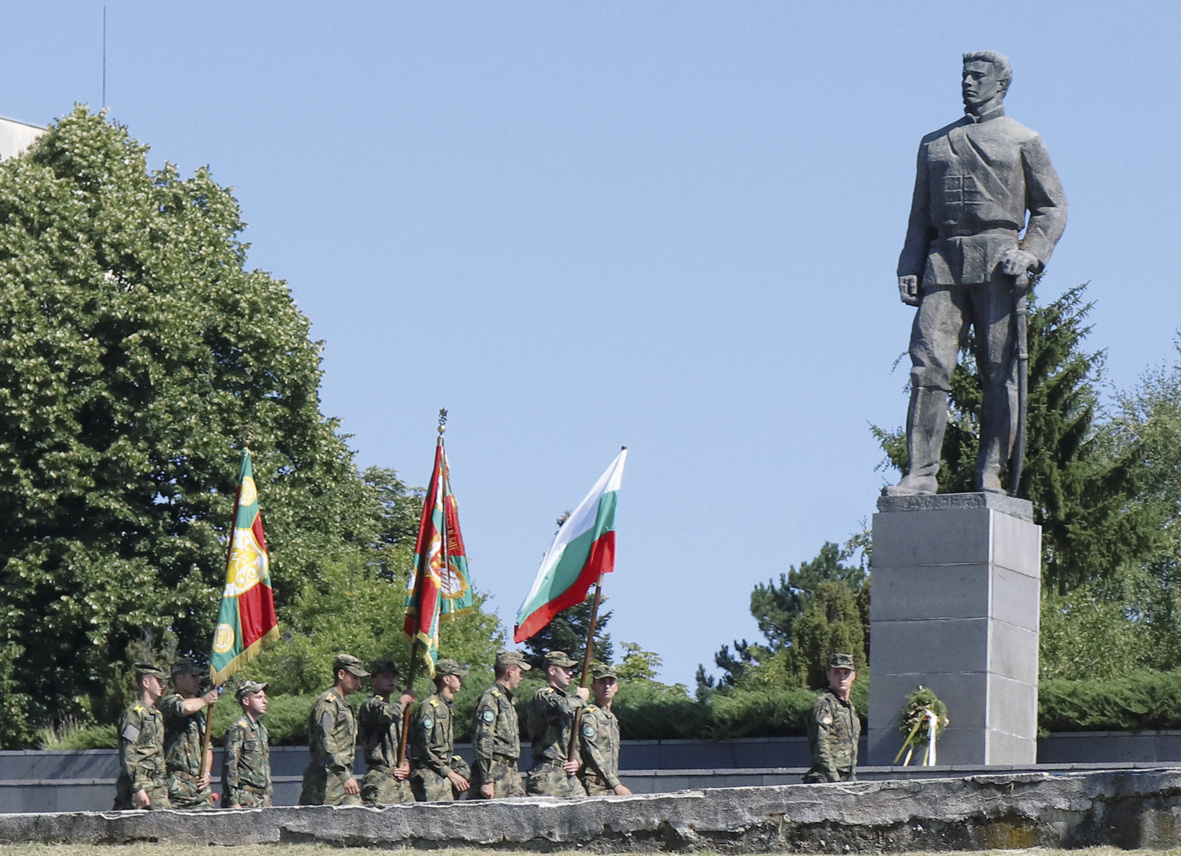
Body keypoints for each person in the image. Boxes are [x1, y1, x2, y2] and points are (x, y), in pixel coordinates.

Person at [886, 50, 1067, 497]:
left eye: (977, 76)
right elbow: (919, 216)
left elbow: (1052, 206)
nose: (968, 82)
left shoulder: (1023, 139)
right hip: (943, 261)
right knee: (927, 368)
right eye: (964, 74)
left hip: (998, 263)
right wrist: (909, 264)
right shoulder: (934, 143)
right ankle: (921, 475)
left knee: (998, 372)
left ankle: (990, 472)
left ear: (1000, 85)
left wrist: (1031, 253)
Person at [299, 653, 368, 806]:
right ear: (341, 674)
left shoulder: (342, 704)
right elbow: (326, 742)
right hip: (325, 781)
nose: (359, 683)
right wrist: (345, 775)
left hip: (341, 779)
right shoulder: (327, 703)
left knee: (357, 822)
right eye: (355, 677)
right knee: (318, 827)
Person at [525, 651, 589, 797]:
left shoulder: (568, 700)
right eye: (565, 669)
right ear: (552, 670)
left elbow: (573, 738)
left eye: (571, 669)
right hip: (548, 775)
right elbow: (562, 707)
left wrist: (576, 761)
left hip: (567, 776)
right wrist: (580, 698)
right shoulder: (543, 695)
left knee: (584, 814)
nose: (570, 673)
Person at [159, 658, 220, 809]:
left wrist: (206, 773)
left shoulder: (198, 712)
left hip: (198, 788)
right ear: (179, 678)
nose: (197, 681)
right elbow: (184, 708)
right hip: (177, 785)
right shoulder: (169, 702)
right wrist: (206, 699)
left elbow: (207, 747)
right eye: (193, 676)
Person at [471, 650, 531, 799]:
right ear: (510, 671)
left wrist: (515, 776)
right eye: (520, 672)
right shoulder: (490, 699)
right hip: (494, 772)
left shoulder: (506, 700)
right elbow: (483, 739)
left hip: (508, 771)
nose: (521, 677)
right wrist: (487, 779)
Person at [410, 659, 470, 802]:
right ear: (446, 679)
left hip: (442, 775)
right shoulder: (430, 707)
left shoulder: (446, 706)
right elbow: (422, 748)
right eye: (458, 676)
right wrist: (449, 773)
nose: (461, 680)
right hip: (430, 778)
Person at [113, 662, 170, 810]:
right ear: (146, 682)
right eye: (158, 681)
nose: (162, 685)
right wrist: (137, 787)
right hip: (140, 784)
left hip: (156, 784)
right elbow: (128, 752)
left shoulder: (156, 715)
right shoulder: (134, 713)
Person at [359, 659, 416, 805]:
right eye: (385, 677)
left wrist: (406, 763)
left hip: (400, 781)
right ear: (374, 680)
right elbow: (387, 713)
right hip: (380, 779)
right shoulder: (371, 704)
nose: (391, 680)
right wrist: (403, 700)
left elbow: (402, 742)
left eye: (393, 676)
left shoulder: (397, 708)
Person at [803, 652, 860, 783]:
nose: (842, 678)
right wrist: (834, 780)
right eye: (837, 673)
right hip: (826, 779)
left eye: (846, 673)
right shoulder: (824, 704)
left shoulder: (849, 708)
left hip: (847, 777)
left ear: (854, 676)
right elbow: (821, 745)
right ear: (829, 675)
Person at [578, 663, 632, 796]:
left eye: (611, 682)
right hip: (593, 786)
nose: (607, 686)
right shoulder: (590, 715)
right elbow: (591, 751)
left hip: (608, 786)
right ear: (593, 687)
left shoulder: (611, 718)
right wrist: (616, 784)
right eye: (602, 682)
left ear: (616, 688)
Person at [222, 680, 273, 808]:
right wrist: (233, 801)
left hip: (263, 800)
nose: (265, 701)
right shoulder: (238, 729)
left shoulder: (261, 730)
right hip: (244, 799)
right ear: (246, 701)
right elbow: (230, 766)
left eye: (264, 697)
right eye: (259, 697)